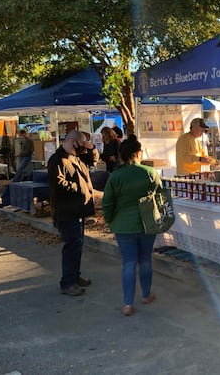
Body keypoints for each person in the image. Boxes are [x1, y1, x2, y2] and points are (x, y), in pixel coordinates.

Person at [102, 134, 160, 316]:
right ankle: (146, 294)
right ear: (138, 153)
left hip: (123, 226)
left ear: (121, 154)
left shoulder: (115, 176)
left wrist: (111, 220)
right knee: (145, 260)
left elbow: (107, 203)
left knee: (129, 263)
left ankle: (127, 303)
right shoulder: (149, 173)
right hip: (146, 224)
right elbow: (161, 196)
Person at [47, 129, 99, 296]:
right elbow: (58, 185)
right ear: (72, 142)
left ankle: (75, 276)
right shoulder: (58, 160)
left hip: (78, 211)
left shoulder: (76, 157)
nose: (83, 148)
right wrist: (80, 188)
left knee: (78, 245)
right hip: (67, 212)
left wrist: (90, 147)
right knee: (71, 246)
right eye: (81, 144)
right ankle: (67, 283)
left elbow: (94, 160)